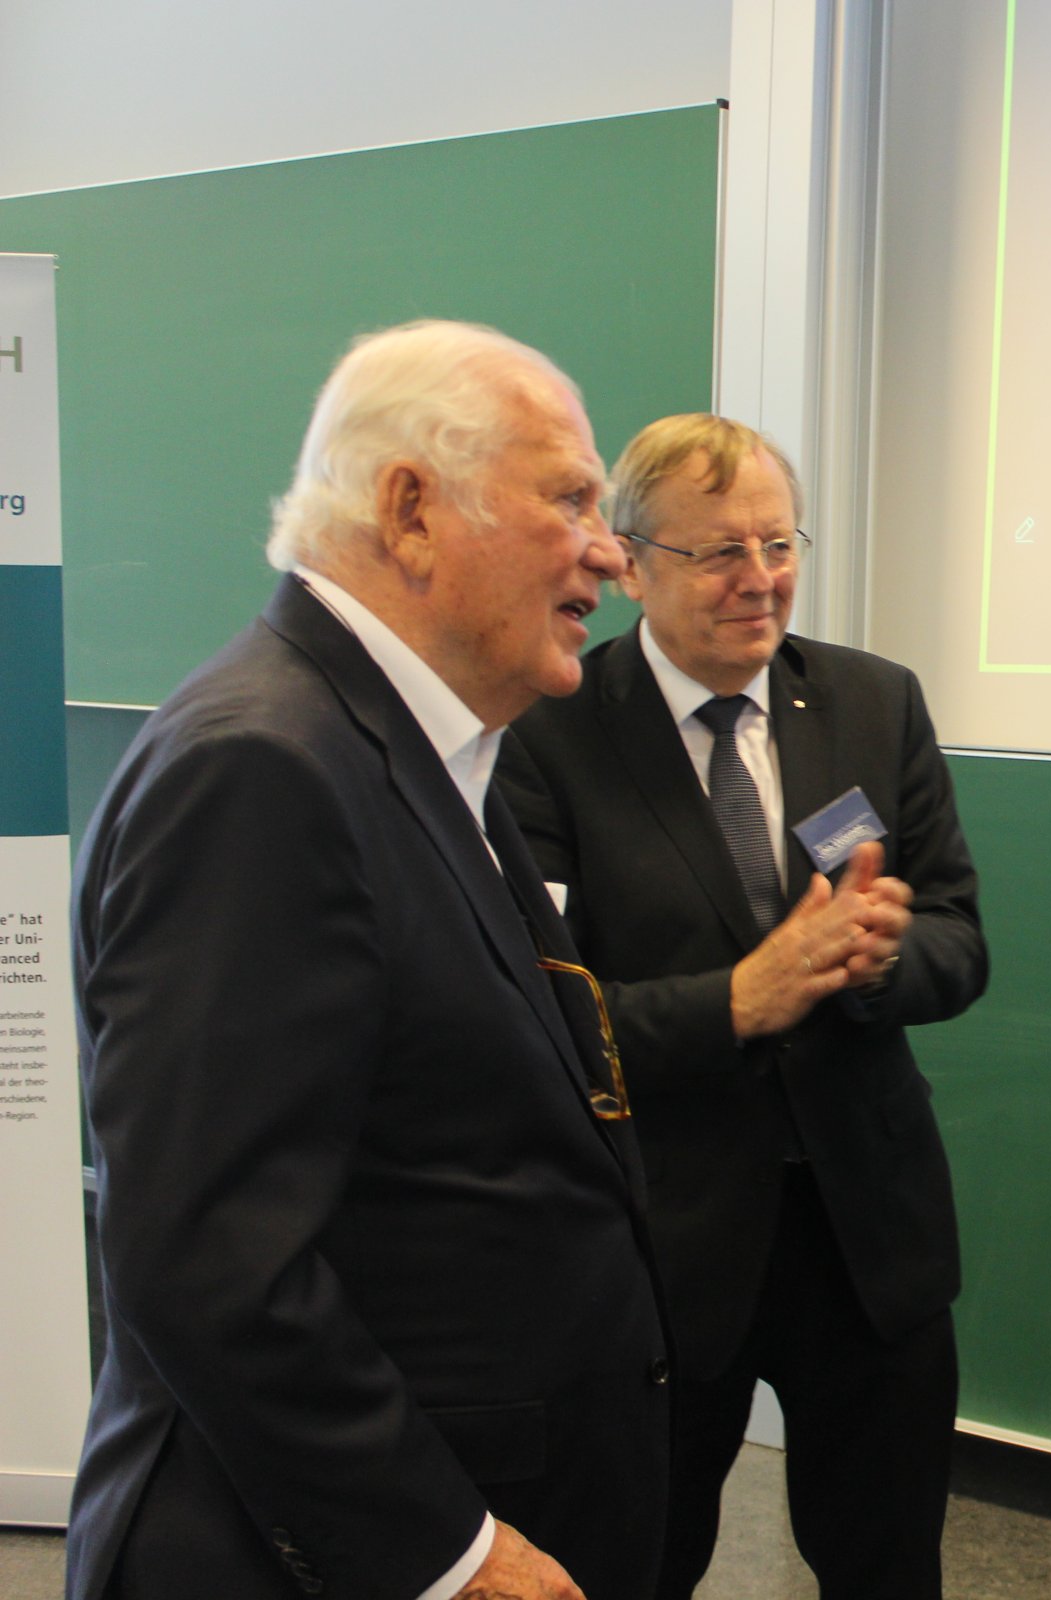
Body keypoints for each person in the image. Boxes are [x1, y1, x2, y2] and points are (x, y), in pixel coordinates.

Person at [68, 321, 671, 1600]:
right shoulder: (263, 770)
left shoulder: (417, 750)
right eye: (570, 498)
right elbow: (207, 1256)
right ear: (411, 511)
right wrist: (449, 1554)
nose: (612, 558)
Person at [496, 414, 985, 1600]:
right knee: (638, 1566)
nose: (759, 579)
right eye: (719, 552)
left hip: (869, 1243)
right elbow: (535, 1019)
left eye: (778, 542)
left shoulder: (873, 701)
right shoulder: (545, 731)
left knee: (886, 1570)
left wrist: (876, 961)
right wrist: (739, 1001)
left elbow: (960, 945)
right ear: (631, 559)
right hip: (659, 1250)